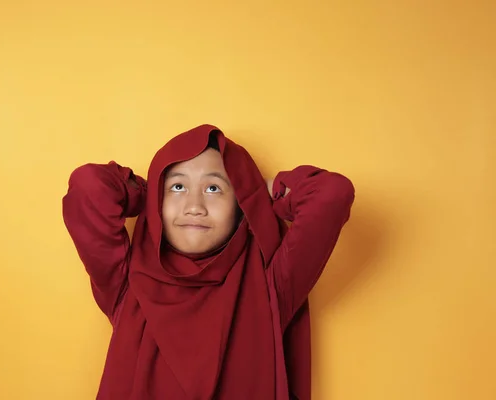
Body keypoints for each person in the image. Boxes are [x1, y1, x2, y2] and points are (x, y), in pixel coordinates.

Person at [62, 124, 355, 400]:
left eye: (213, 188)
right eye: (176, 187)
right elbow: (88, 186)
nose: (194, 207)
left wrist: (260, 189)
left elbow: (332, 194)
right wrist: (143, 192)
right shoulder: (128, 283)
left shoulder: (271, 286)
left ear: (241, 204)